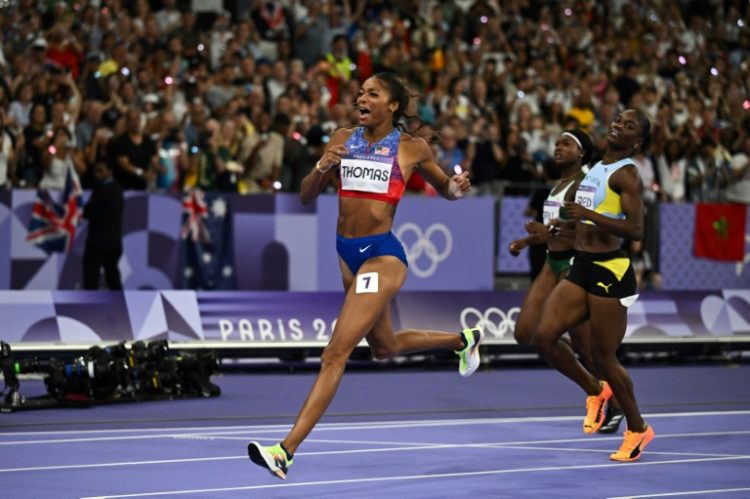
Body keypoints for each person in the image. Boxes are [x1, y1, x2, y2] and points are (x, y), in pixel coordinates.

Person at [247, 72, 481, 479]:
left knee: (335, 353)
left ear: (392, 105)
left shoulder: (412, 148)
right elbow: (305, 196)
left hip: (383, 256)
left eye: (373, 93)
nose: (362, 97)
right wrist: (322, 167)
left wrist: (458, 187)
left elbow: (446, 190)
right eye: (360, 93)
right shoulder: (341, 138)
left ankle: (285, 450)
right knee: (384, 347)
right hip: (346, 254)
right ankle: (465, 340)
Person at [532, 109, 654, 461]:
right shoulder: (597, 169)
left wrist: (589, 216)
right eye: (617, 121)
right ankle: (597, 392)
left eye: (628, 126)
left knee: (604, 356)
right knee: (544, 336)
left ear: (638, 141)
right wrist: (557, 227)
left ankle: (637, 428)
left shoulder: (626, 175)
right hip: (581, 264)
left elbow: (635, 231)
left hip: (609, 269)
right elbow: (581, 220)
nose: (618, 126)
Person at [508, 129, 624, 434]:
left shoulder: (584, 184)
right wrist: (528, 239)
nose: (558, 147)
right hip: (551, 261)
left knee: (588, 349)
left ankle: (617, 405)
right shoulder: (557, 185)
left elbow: (592, 233)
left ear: (582, 152)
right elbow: (555, 230)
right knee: (525, 333)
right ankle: (597, 389)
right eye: (557, 143)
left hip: (574, 263)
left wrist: (555, 233)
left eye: (566, 144)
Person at [82, 160, 124, 290]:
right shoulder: (118, 189)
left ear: (109, 172)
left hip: (97, 242)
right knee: (112, 275)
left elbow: (89, 211)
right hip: (114, 241)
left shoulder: (101, 189)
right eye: (95, 171)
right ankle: (120, 305)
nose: (97, 175)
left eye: (100, 171)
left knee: (92, 277)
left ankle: (89, 306)